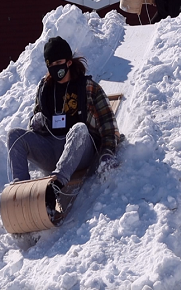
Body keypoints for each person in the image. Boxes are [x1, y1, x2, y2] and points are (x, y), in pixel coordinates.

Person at [7, 36, 120, 213]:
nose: (55, 68)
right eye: (51, 65)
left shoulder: (88, 87)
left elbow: (109, 126)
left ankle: (55, 186)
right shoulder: (45, 88)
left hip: (80, 149)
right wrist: (36, 122)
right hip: (51, 147)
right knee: (15, 136)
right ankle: (21, 194)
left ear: (68, 62)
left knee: (79, 129)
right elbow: (35, 120)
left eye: (59, 62)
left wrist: (107, 152)